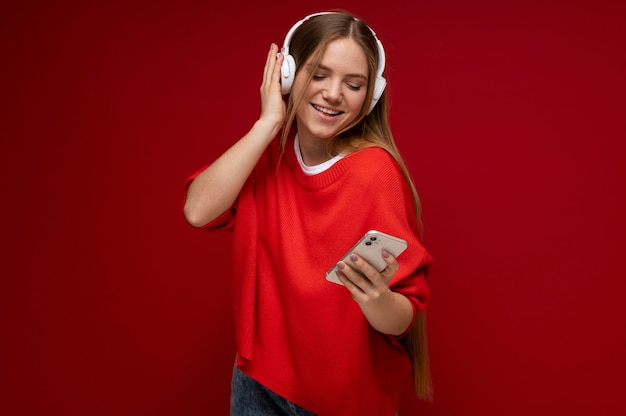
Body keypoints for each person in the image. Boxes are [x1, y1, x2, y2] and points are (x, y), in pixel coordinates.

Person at [183, 10, 433, 416]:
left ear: (370, 98)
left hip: (343, 401)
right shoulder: (265, 156)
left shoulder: (375, 174)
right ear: (287, 74)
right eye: (318, 74)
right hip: (257, 380)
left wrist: (375, 298)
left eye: (353, 85)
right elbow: (197, 210)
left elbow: (401, 320)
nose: (334, 94)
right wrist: (267, 123)